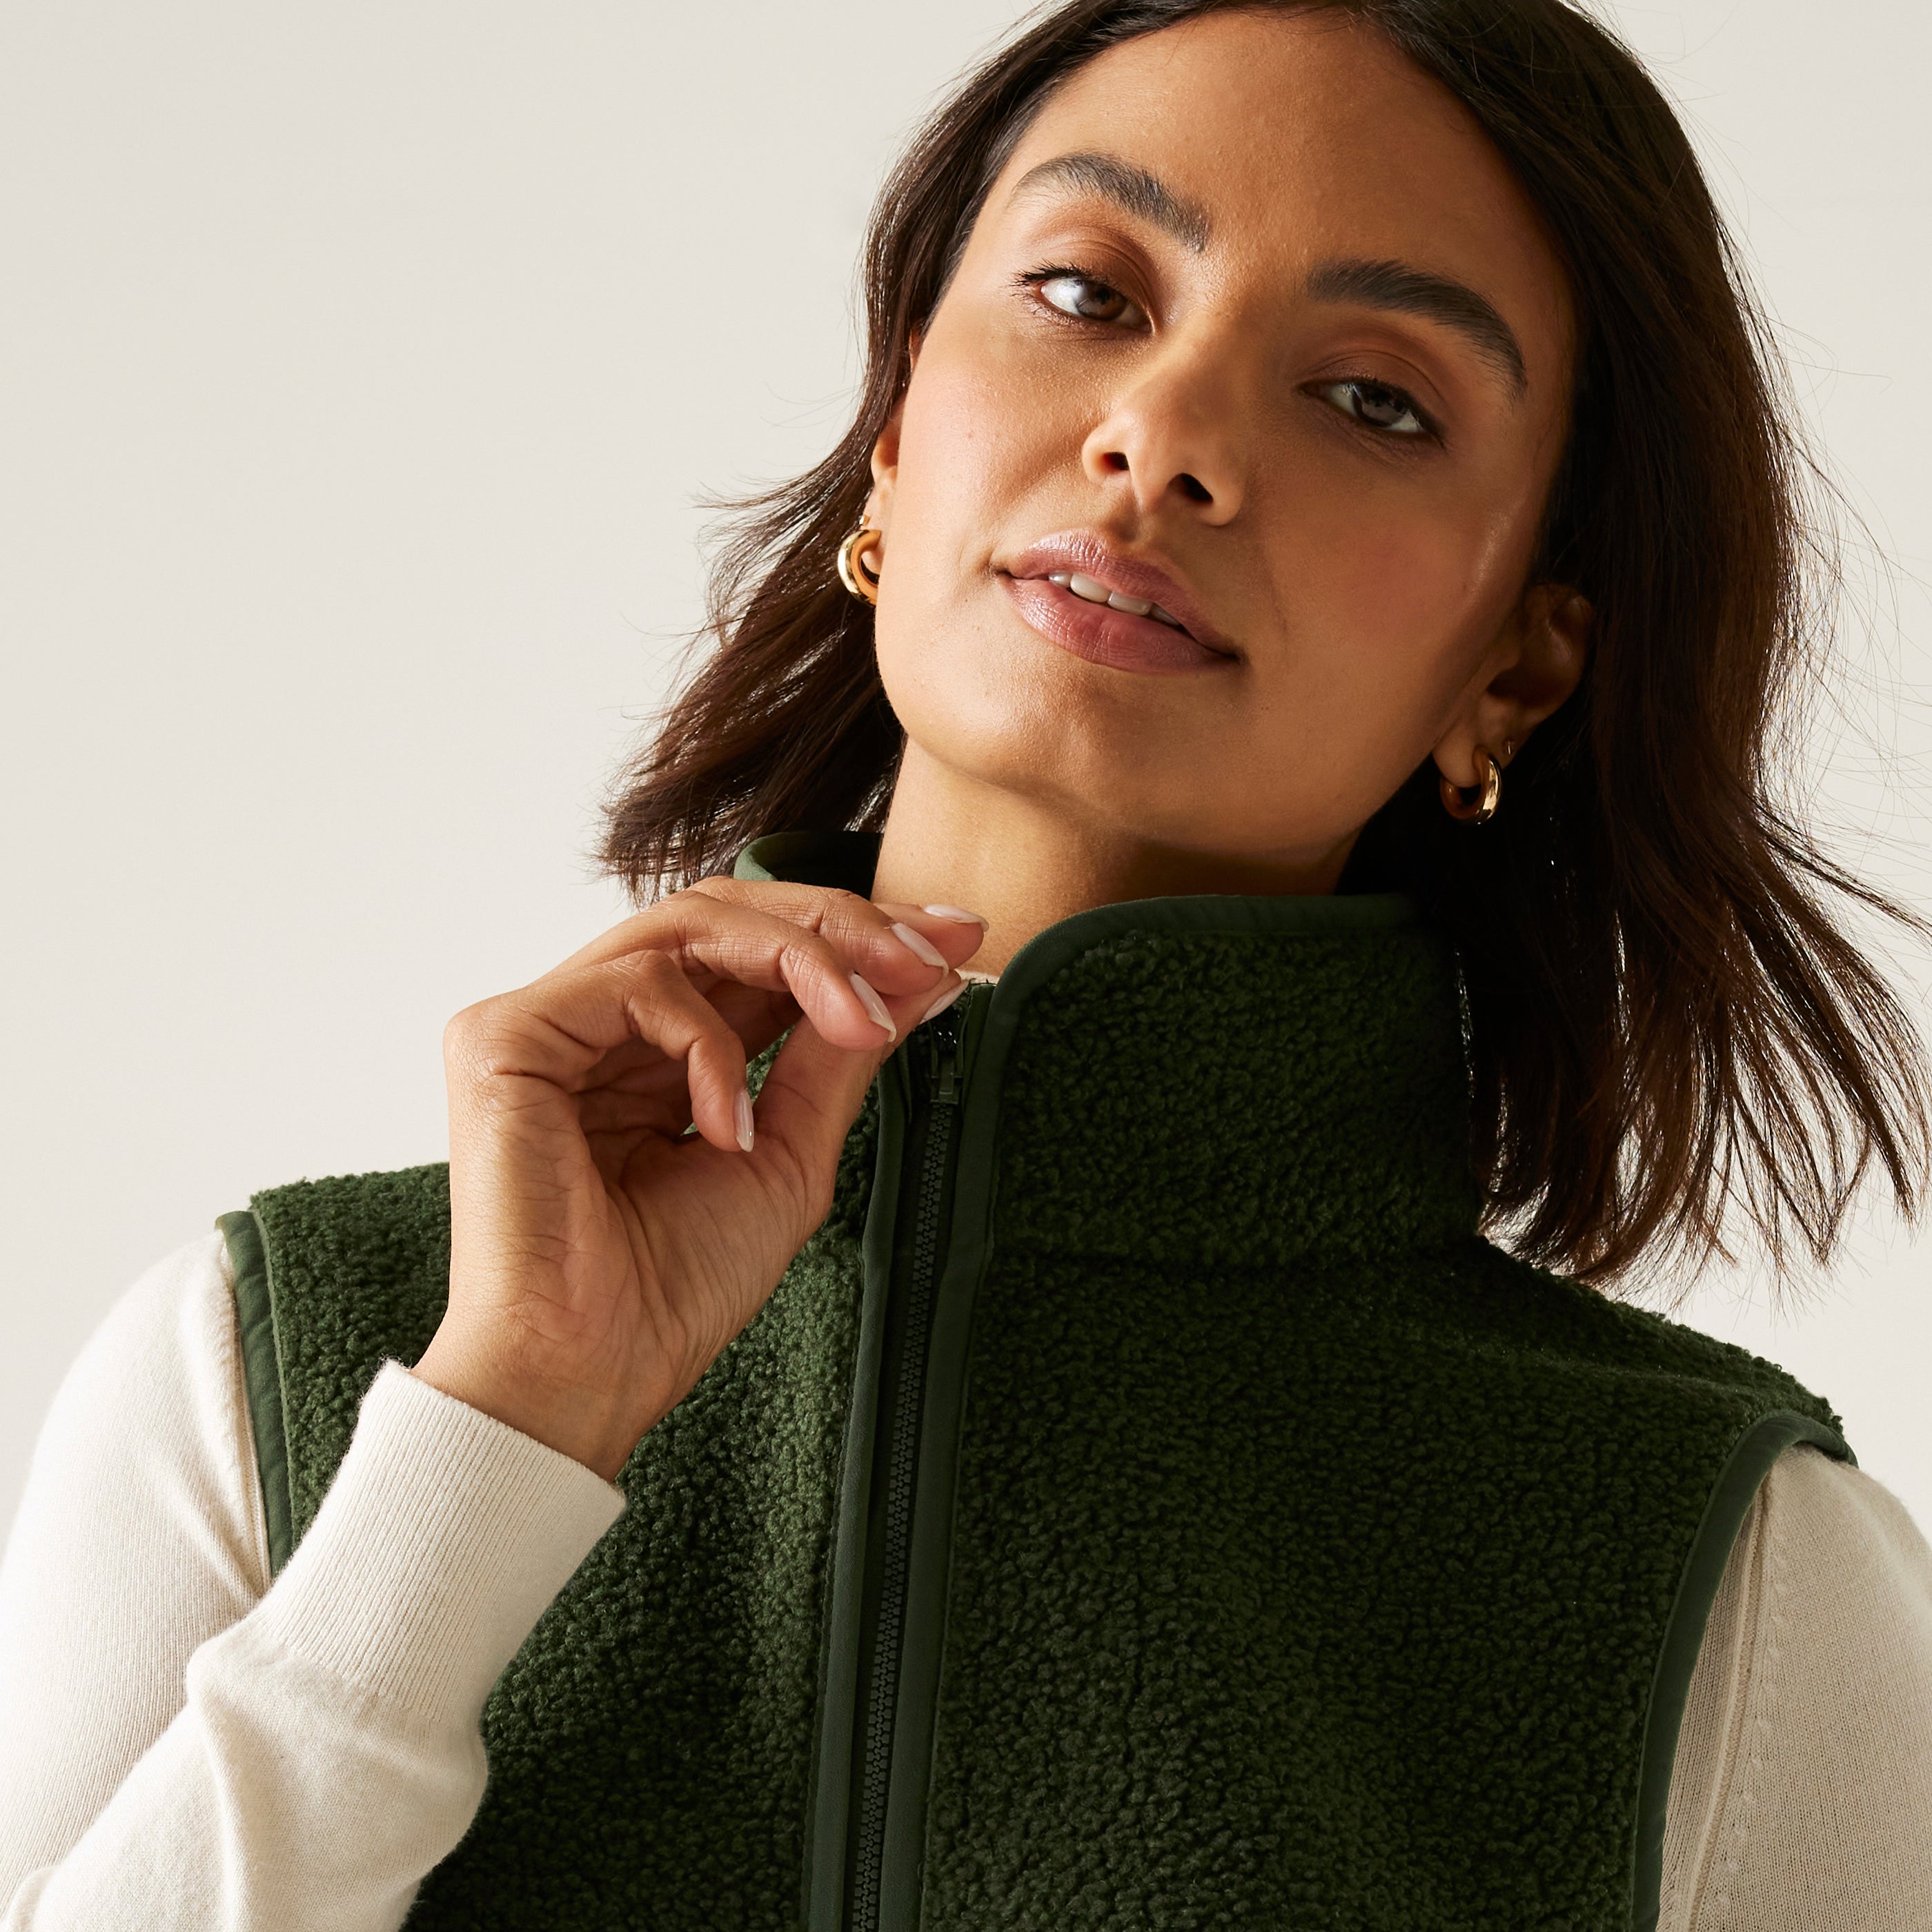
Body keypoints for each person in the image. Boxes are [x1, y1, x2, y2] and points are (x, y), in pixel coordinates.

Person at [3, 0, 1929, 1926]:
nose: (1163, 437)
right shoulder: (270, 1364)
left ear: (1516, 662)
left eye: (1374, 400)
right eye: (1088, 293)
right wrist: (491, 1450)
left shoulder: (1736, 1576)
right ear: (897, 431)